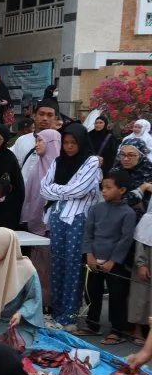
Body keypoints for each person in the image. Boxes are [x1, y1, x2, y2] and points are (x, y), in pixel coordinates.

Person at [40, 122, 102, 330]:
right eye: (65, 143)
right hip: (58, 217)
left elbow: (80, 190)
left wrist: (57, 190)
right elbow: (43, 188)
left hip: (78, 218)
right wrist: (64, 190)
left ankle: (70, 316)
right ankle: (57, 313)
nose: (68, 147)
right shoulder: (59, 161)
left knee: (74, 266)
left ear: (81, 142)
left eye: (73, 143)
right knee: (57, 264)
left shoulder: (91, 161)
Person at [82, 170, 136, 344]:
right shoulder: (96, 209)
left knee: (117, 296)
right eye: (102, 187)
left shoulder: (128, 213)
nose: (103, 191)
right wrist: (89, 255)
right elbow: (88, 233)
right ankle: (92, 324)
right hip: (94, 259)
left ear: (122, 190)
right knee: (92, 292)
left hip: (115, 263)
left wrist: (113, 261)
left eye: (108, 187)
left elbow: (125, 239)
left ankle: (117, 330)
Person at [113, 136, 152, 216]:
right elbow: (114, 202)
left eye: (131, 155)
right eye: (122, 154)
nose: (126, 159)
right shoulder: (116, 171)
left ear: (141, 155)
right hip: (117, 217)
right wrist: (142, 188)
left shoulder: (150, 171)